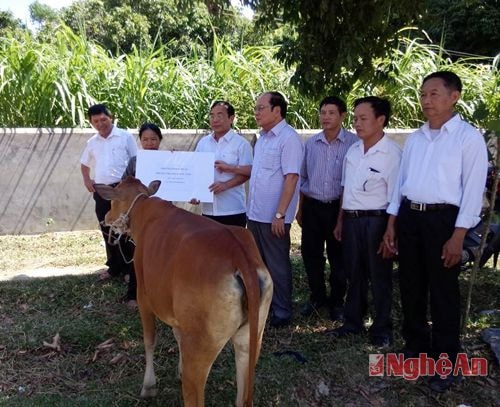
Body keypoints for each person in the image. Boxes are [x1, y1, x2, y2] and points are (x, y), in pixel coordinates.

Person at [383, 71, 488, 392]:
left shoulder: (467, 138)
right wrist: (392, 223)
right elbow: (401, 184)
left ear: (454, 96)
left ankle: (447, 361)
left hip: (445, 222)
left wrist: (459, 235)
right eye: (423, 94)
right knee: (411, 284)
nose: (426, 100)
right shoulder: (415, 139)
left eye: (434, 94)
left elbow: (472, 190)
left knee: (443, 290)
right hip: (410, 218)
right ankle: (415, 346)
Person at [328, 96, 401, 348]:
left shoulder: (392, 154)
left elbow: (395, 197)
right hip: (351, 220)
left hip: (377, 221)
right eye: (356, 119)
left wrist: (390, 231)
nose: (357, 124)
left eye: (363, 118)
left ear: (380, 120)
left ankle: (382, 328)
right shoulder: (353, 150)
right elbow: (345, 189)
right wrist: (340, 220)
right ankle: (352, 322)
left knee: (379, 275)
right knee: (354, 272)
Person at [296, 96, 358, 321]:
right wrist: (300, 210)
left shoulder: (353, 144)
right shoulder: (311, 144)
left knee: (338, 257)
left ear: (342, 116)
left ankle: (337, 302)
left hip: (338, 208)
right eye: (323, 112)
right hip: (313, 208)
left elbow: (349, 185)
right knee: (311, 255)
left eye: (331, 113)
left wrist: (341, 219)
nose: (326, 117)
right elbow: (303, 178)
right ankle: (317, 297)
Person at [247, 91, 304, 328]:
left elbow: (291, 178)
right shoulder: (262, 139)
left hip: (273, 217)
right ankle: (264, 307)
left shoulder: (288, 138)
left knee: (277, 264)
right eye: (256, 108)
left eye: (261, 108)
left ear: (277, 111)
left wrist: (280, 214)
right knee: (258, 264)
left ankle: (282, 311)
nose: (256, 112)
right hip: (255, 214)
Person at [80, 104, 137, 287]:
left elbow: (136, 160)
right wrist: (87, 180)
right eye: (96, 121)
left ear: (110, 117)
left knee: (126, 230)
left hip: (122, 192)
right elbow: (84, 164)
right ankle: (114, 267)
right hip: (102, 191)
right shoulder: (92, 142)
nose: (100, 124)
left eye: (103, 119)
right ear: (91, 122)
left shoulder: (125, 137)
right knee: (107, 230)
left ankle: (130, 270)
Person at [190, 101, 253, 227]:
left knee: (232, 246)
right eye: (212, 116)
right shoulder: (203, 143)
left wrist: (226, 185)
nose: (215, 120)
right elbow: (194, 170)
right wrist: (195, 193)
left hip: (232, 209)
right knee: (208, 246)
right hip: (208, 211)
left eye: (220, 115)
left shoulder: (241, 144)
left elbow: (249, 172)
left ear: (231, 118)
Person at [121, 122, 163, 307]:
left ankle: (159, 295)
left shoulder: (170, 159)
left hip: (163, 213)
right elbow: (124, 184)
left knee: (160, 253)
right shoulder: (135, 162)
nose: (150, 143)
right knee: (137, 254)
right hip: (140, 214)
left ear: (160, 140)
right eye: (145, 139)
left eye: (153, 139)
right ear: (140, 141)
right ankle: (133, 295)